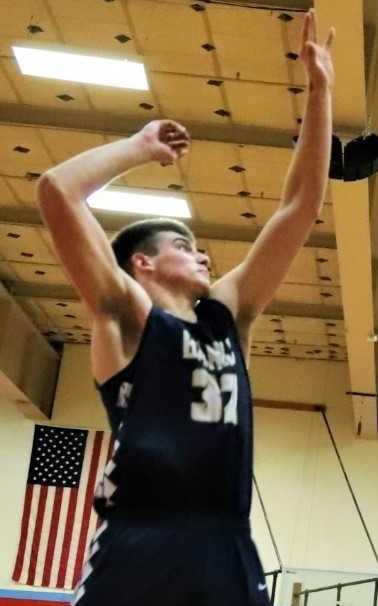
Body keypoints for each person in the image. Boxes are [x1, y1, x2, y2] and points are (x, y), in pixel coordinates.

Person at [36, 11, 334, 606]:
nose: (200, 255)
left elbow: (299, 206)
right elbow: (55, 190)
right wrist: (138, 147)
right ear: (141, 264)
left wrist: (320, 94)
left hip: (226, 542)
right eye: (182, 246)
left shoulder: (229, 317)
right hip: (143, 538)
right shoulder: (124, 313)